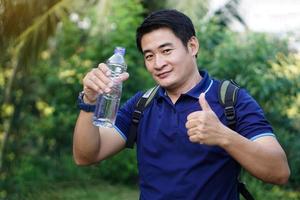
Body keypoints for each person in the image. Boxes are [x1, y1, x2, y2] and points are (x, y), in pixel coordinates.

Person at [73, 9, 290, 200]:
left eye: (166, 51)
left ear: (192, 46)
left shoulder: (232, 99)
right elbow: (86, 156)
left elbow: (279, 172)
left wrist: (224, 136)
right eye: (149, 56)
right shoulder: (141, 104)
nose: (158, 64)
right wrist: (89, 101)